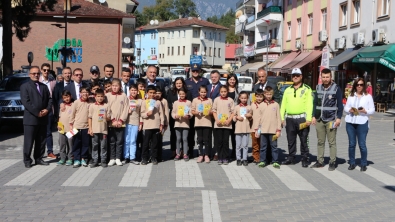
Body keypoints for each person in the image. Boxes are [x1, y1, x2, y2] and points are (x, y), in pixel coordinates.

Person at [311, 68, 344, 171]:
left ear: (331, 77)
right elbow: (315, 103)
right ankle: (320, 161)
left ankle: (332, 162)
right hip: (319, 119)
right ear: (321, 77)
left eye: (327, 77)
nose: (325, 79)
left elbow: (340, 105)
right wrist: (313, 116)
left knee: (331, 142)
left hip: (331, 120)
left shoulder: (336, 88)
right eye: (323, 77)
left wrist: (338, 118)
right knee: (320, 141)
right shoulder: (318, 87)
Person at [280, 68, 313, 168]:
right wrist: (282, 118)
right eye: (294, 75)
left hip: (301, 118)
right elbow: (283, 105)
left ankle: (305, 158)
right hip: (289, 119)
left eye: (297, 75)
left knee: (304, 139)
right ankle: (291, 157)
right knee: (291, 140)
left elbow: (309, 104)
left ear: (301, 76)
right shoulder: (287, 90)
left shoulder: (307, 89)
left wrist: (309, 118)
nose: (295, 77)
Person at [20, 66, 52, 168]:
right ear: (30, 74)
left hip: (43, 118)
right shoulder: (25, 86)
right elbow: (26, 102)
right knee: (29, 141)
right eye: (34, 73)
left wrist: (47, 109)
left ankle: (39, 158)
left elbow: (50, 99)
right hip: (31, 119)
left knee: (41, 141)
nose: (36, 75)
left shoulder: (44, 86)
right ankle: (27, 160)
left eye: (38, 73)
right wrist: (37, 112)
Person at [344, 78, 375, 172]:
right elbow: (346, 107)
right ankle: (352, 163)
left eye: (361, 85)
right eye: (357, 85)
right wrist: (349, 110)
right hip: (350, 122)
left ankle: (363, 163)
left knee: (362, 144)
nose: (359, 86)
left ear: (364, 85)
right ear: (355, 86)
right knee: (351, 144)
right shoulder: (351, 96)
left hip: (362, 122)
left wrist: (365, 111)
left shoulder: (368, 96)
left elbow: (372, 110)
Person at [185, 64, 209, 159]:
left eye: (197, 71)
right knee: (190, 133)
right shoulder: (187, 82)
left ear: (200, 71)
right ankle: (190, 151)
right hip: (191, 110)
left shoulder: (205, 81)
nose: (195, 72)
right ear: (191, 71)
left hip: (203, 112)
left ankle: (206, 152)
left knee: (203, 135)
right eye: (193, 71)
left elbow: (208, 95)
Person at [167, 77, 193, 157]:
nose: (178, 85)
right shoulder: (170, 92)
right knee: (174, 135)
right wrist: (175, 114)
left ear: (183, 84)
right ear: (175, 84)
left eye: (180, 83)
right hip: (175, 118)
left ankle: (185, 151)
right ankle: (174, 151)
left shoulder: (188, 92)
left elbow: (189, 105)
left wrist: (187, 114)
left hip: (185, 119)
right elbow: (169, 103)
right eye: (177, 83)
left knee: (185, 137)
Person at [257, 86, 282, 169]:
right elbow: (258, 118)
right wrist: (257, 129)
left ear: (272, 94)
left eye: (270, 94)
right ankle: (262, 161)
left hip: (273, 130)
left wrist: (278, 130)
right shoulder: (261, 105)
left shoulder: (276, 104)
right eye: (267, 94)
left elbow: (278, 118)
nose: (268, 96)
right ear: (264, 94)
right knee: (263, 147)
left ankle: (275, 161)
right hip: (263, 130)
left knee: (274, 147)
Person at [106, 79, 129, 166]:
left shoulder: (123, 96)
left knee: (119, 141)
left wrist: (121, 120)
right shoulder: (107, 96)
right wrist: (113, 120)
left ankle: (118, 158)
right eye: (113, 86)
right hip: (111, 123)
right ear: (111, 86)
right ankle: (112, 158)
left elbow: (126, 109)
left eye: (117, 86)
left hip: (121, 123)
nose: (115, 88)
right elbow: (107, 108)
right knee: (112, 141)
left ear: (120, 87)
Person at [140, 85, 165, 165]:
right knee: (145, 144)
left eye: (154, 93)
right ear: (147, 93)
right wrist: (147, 114)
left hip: (156, 125)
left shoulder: (158, 102)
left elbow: (161, 114)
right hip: (147, 126)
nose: (152, 94)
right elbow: (142, 114)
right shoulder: (144, 102)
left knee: (155, 143)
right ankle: (144, 158)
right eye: (150, 93)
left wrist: (162, 124)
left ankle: (154, 157)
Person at [212, 85, 235, 165]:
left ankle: (225, 157)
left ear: (227, 91)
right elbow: (214, 111)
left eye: (225, 91)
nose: (223, 93)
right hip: (218, 124)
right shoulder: (216, 100)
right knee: (219, 141)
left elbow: (233, 112)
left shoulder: (230, 100)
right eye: (222, 92)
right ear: (219, 92)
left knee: (225, 141)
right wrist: (216, 119)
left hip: (227, 125)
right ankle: (220, 156)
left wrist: (229, 120)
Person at [39, 63, 57, 159]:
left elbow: (54, 96)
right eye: (44, 70)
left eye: (48, 70)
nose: (46, 72)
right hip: (39, 110)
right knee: (39, 132)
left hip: (49, 110)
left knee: (48, 132)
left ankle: (50, 151)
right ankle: (40, 153)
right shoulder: (38, 81)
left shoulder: (53, 82)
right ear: (41, 70)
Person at [70, 86, 90, 168]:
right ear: (80, 93)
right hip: (76, 126)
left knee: (85, 144)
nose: (85, 94)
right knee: (76, 143)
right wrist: (71, 126)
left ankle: (83, 158)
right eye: (83, 92)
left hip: (86, 126)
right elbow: (72, 114)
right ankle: (76, 159)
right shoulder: (76, 102)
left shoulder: (90, 102)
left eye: (86, 92)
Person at [191, 86, 213, 163]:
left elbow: (212, 111)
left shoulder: (209, 100)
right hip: (198, 123)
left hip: (207, 123)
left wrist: (209, 112)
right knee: (199, 139)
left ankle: (206, 155)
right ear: (199, 92)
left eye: (204, 92)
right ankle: (200, 154)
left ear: (207, 92)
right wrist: (195, 113)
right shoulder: (195, 100)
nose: (203, 93)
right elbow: (192, 110)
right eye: (201, 92)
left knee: (206, 140)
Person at [88, 89, 109, 168]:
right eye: (98, 96)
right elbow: (89, 118)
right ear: (95, 97)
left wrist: (106, 117)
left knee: (103, 146)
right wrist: (90, 129)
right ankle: (95, 160)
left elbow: (109, 118)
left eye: (101, 96)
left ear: (104, 97)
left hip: (103, 130)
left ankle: (103, 160)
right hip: (94, 129)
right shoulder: (92, 106)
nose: (100, 98)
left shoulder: (106, 106)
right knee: (95, 145)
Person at [171, 89, 192, 161]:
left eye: (183, 94)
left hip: (185, 123)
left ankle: (185, 154)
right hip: (177, 123)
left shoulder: (189, 102)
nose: (182, 95)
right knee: (178, 139)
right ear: (178, 94)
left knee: (185, 139)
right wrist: (175, 116)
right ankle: (178, 154)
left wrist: (188, 116)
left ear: (185, 94)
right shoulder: (176, 102)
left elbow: (191, 113)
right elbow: (173, 112)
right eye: (180, 94)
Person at [123, 84, 142, 165]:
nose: (133, 92)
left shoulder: (140, 101)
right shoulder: (126, 100)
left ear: (137, 91)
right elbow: (122, 110)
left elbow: (141, 113)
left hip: (135, 123)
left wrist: (140, 124)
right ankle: (126, 157)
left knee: (133, 141)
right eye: (132, 90)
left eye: (135, 90)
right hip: (127, 122)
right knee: (126, 140)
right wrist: (127, 111)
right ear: (129, 91)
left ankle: (132, 157)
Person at [207, 70, 222, 161]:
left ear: (219, 77)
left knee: (216, 135)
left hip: (217, 115)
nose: (213, 78)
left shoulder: (222, 87)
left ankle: (216, 152)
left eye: (215, 77)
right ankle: (208, 152)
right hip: (207, 115)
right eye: (212, 77)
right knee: (208, 135)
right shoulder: (207, 87)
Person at [233, 91, 251, 166]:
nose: (243, 99)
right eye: (242, 98)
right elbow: (233, 117)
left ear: (247, 98)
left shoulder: (249, 107)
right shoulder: (237, 107)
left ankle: (245, 159)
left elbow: (251, 118)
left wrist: (249, 115)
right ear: (239, 98)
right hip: (238, 129)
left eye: (245, 98)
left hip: (246, 129)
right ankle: (238, 158)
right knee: (238, 145)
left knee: (245, 145)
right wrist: (237, 117)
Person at [227, 73, 242, 160]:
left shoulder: (239, 89)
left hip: (236, 115)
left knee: (234, 135)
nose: (232, 81)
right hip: (226, 115)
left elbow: (243, 101)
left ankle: (235, 151)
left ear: (236, 80)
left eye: (233, 79)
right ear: (228, 80)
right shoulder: (225, 89)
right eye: (230, 79)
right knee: (226, 135)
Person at [56, 90, 74, 166]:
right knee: (62, 143)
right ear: (62, 98)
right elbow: (60, 117)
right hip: (62, 129)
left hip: (70, 128)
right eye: (64, 97)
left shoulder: (73, 105)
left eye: (68, 97)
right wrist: (59, 125)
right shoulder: (62, 106)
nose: (66, 99)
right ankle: (62, 158)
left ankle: (70, 158)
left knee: (70, 144)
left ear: (71, 96)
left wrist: (73, 127)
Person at [249, 89, 264, 164]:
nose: (259, 98)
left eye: (261, 96)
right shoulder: (252, 104)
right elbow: (250, 113)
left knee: (262, 143)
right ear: (255, 97)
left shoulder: (264, 104)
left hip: (262, 128)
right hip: (253, 127)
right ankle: (255, 157)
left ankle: (262, 157)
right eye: (257, 96)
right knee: (255, 143)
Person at [155, 86, 169, 162]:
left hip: (162, 123)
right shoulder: (152, 101)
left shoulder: (164, 101)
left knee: (160, 140)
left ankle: (159, 156)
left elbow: (166, 112)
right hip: (153, 123)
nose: (157, 94)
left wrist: (166, 123)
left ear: (162, 93)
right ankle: (154, 155)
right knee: (154, 141)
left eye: (159, 93)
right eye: (156, 93)